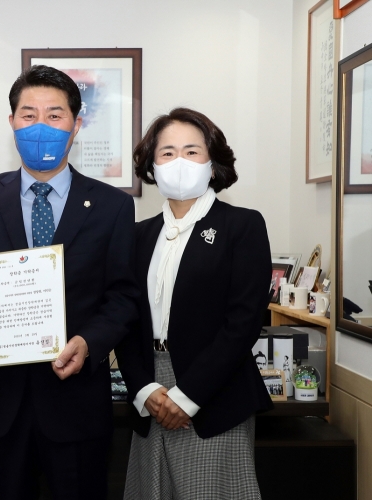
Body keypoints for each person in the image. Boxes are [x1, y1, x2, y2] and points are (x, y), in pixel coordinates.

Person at [0, 65, 139, 499]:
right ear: (12, 122)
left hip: (75, 403)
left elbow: (123, 295)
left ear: (76, 124)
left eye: (55, 115)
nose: (40, 125)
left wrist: (90, 342)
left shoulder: (112, 205)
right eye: (28, 113)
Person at [115, 107, 273, 499]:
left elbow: (243, 323)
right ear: (152, 165)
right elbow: (124, 315)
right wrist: (143, 390)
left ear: (213, 161)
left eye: (191, 151)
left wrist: (187, 398)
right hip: (150, 392)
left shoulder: (243, 225)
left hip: (213, 395)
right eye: (167, 153)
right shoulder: (138, 235)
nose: (179, 162)